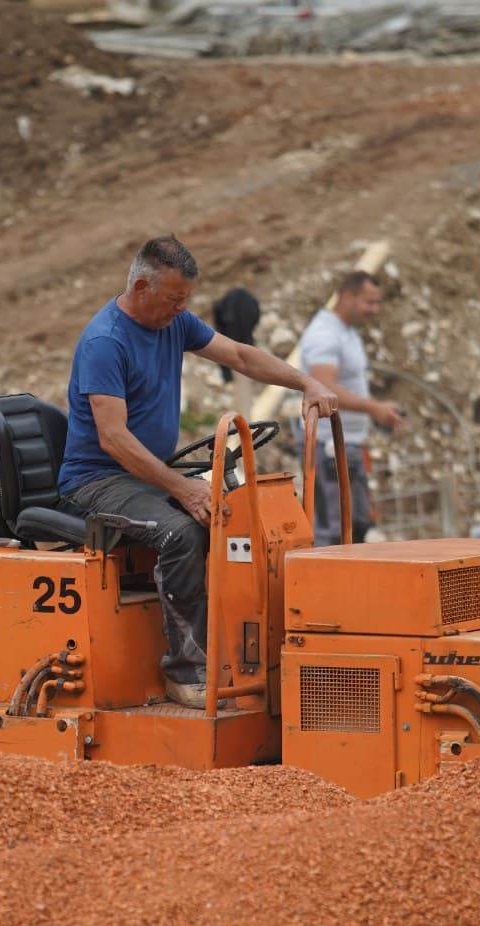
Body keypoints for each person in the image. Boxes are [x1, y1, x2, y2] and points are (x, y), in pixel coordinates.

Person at [56, 235, 339, 709]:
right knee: (181, 532)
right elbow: (114, 438)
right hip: (97, 480)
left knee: (236, 518)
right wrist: (183, 488)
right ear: (142, 286)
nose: (180, 309)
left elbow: (241, 356)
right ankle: (185, 672)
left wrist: (305, 381)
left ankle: (244, 656)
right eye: (173, 299)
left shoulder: (174, 323)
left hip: (147, 474)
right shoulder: (105, 342)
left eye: (185, 300)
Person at [296, 271, 403, 546]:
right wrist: (373, 408)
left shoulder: (347, 332)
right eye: (369, 302)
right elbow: (324, 387)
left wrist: (377, 407)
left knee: (355, 526)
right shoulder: (324, 333)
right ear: (347, 296)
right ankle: (325, 587)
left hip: (346, 444)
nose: (374, 310)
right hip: (327, 444)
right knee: (333, 531)